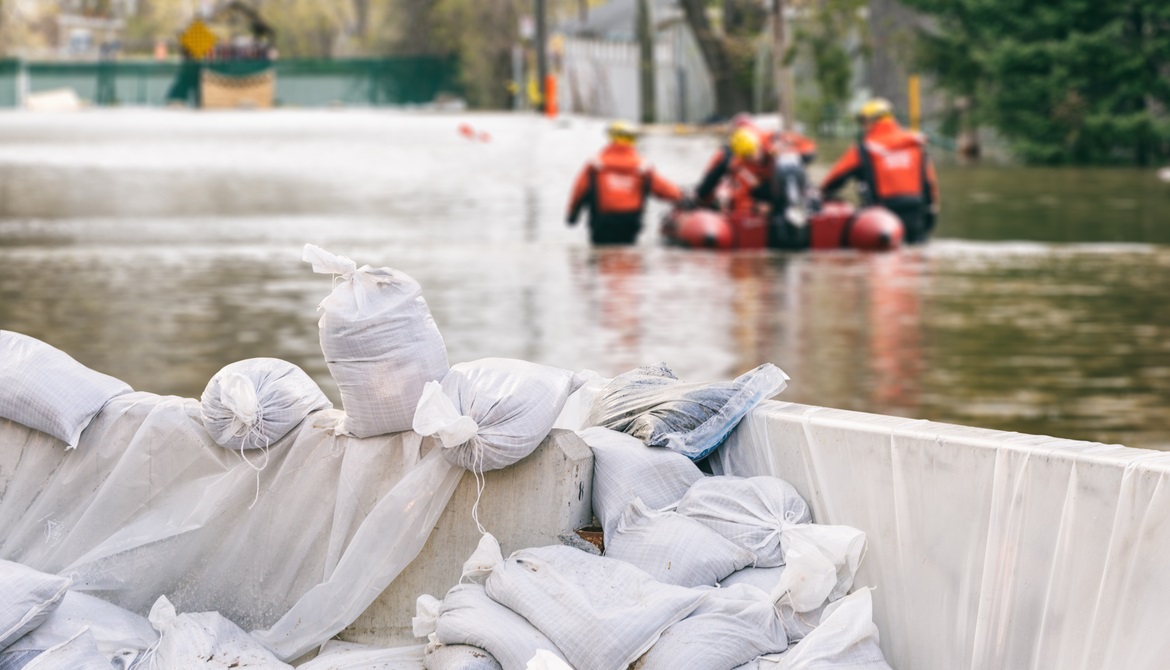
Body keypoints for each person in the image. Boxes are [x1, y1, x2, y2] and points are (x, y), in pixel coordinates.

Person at [819, 98, 940, 244]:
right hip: (917, 214)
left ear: (871, 121)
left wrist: (820, 193)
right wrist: (931, 213)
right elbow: (930, 183)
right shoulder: (915, 144)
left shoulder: (864, 149)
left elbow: (834, 179)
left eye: (863, 122)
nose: (863, 127)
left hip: (881, 219)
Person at [566, 120, 685, 245]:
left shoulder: (595, 164)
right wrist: (682, 196)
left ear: (611, 138)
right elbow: (662, 189)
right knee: (628, 256)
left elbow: (580, 190)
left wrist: (572, 215)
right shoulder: (642, 166)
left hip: (601, 223)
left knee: (600, 256)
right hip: (630, 223)